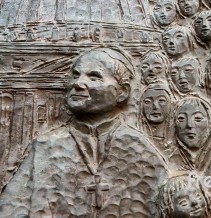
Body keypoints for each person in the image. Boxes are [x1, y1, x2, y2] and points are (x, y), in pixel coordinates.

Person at [0, 47, 168, 217]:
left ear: (122, 92)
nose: (78, 84)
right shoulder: (45, 147)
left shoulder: (141, 151)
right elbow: (10, 208)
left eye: (94, 77)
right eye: (75, 75)